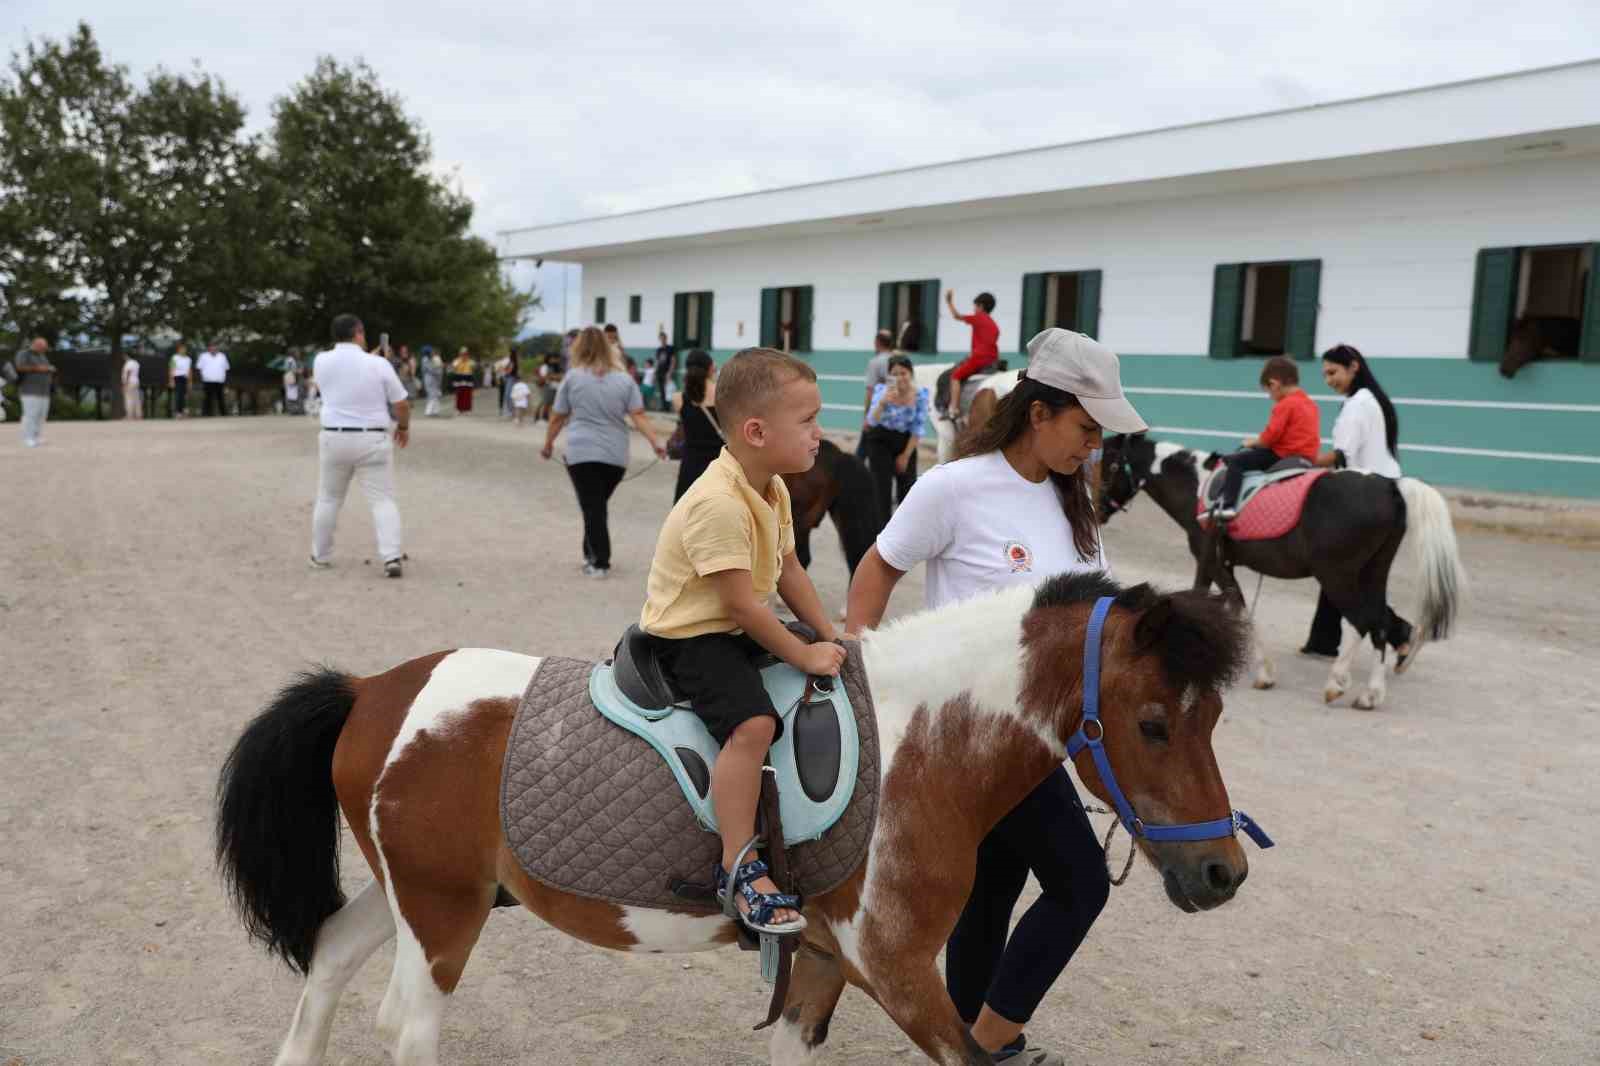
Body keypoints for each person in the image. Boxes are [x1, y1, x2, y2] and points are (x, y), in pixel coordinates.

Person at [844, 327, 1148, 1066]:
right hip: (969, 736)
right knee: (1080, 884)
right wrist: (858, 663)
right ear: (1038, 413)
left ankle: (975, 1040)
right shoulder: (955, 486)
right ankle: (984, 1043)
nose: (1092, 446)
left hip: (1041, 745)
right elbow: (880, 566)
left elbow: (1094, 615)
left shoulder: (1075, 504)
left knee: (991, 893)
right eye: (1084, 427)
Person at [641, 346, 845, 935]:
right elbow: (740, 604)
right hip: (694, 637)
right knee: (752, 724)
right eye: (807, 420)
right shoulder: (718, 504)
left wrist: (830, 634)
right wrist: (804, 650)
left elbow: (789, 571)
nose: (818, 433)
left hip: (734, 622)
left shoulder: (772, 487)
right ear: (756, 431)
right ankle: (738, 864)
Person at [1302, 344, 1414, 663]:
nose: (1328, 380)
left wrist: (1300, 462)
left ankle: (1398, 631)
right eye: (1324, 374)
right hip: (1389, 490)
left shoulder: (1356, 404)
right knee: (1343, 569)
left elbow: (1339, 456)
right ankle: (1323, 639)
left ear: (1353, 367)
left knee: (1345, 573)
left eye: (1332, 372)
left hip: (1364, 495)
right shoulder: (1374, 400)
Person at [541, 325, 667, 577]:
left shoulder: (573, 378)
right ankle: (590, 553)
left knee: (593, 505)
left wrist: (548, 444)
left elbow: (557, 416)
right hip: (615, 456)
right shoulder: (624, 380)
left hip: (580, 452)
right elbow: (638, 416)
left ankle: (599, 562)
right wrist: (656, 442)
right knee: (594, 504)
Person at [308, 313, 410, 578]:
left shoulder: (320, 361)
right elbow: (400, 403)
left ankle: (320, 555)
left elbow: (339, 379)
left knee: (328, 498)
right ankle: (391, 556)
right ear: (359, 332)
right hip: (372, 437)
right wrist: (403, 427)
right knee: (382, 500)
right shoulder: (378, 364)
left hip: (334, 435)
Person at [1212, 356, 1320, 521]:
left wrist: (1252, 442)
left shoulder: (1284, 405)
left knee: (1236, 462)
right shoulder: (1310, 404)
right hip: (1307, 457)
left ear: (1274, 384)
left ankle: (1228, 506)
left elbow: (1270, 437)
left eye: (1268, 391)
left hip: (1283, 455)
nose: (1270, 396)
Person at [861, 354, 929, 517]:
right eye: (895, 374)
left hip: (906, 441)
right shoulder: (882, 391)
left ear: (911, 373)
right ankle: (881, 531)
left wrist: (905, 456)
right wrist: (883, 403)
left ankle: (904, 530)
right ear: (889, 376)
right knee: (881, 489)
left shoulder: (920, 395)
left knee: (907, 490)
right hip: (880, 440)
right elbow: (872, 421)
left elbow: (917, 428)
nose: (899, 378)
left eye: (903, 373)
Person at [672, 349, 724, 502]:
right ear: (710, 369)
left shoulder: (678, 398)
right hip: (719, 464)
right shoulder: (723, 394)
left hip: (691, 465)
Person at [944, 289, 1000, 412]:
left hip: (979, 358)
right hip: (993, 360)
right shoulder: (994, 324)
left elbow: (956, 316)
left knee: (955, 376)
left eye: (975, 306)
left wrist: (949, 302)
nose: (974, 309)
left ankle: (953, 408)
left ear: (980, 306)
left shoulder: (978, 317)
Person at [858, 328, 896, 458]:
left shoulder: (875, 362)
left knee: (862, 451)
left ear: (877, 343)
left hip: (879, 410)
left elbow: (870, 391)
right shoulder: (898, 359)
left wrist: (866, 415)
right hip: (897, 412)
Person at [14, 337, 56, 447]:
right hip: (29, 391)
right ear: (36, 344)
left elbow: (46, 368)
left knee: (41, 416)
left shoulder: (42, 356)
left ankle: (36, 437)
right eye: (43, 347)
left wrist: (49, 370)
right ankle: (27, 438)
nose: (44, 349)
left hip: (44, 391)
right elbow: (19, 367)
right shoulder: (24, 354)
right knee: (30, 415)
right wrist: (39, 368)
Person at [197, 342, 230, 416]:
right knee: (207, 398)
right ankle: (206, 414)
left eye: (214, 347)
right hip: (207, 380)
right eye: (211, 347)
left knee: (220, 397)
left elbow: (226, 369)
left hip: (219, 380)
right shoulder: (203, 356)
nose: (213, 349)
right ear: (209, 348)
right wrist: (202, 378)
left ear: (217, 348)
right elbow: (199, 368)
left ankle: (223, 414)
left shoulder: (222, 356)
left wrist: (226, 381)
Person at [653, 331, 677, 411]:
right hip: (660, 371)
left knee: (668, 390)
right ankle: (664, 407)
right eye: (661, 338)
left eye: (663, 338)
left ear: (666, 338)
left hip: (667, 372)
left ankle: (668, 407)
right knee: (661, 390)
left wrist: (670, 372)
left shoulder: (670, 348)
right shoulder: (659, 349)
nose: (662, 340)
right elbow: (657, 362)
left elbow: (673, 360)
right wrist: (655, 372)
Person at [169, 343, 194, 418]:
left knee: (184, 395)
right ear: (178, 350)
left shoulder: (188, 359)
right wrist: (171, 380)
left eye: (184, 349)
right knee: (178, 395)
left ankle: (183, 410)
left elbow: (189, 371)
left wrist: (190, 382)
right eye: (181, 349)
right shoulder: (174, 357)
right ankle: (178, 412)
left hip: (185, 378)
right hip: (177, 377)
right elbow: (171, 369)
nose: (183, 350)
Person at [536, 353, 563, 422]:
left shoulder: (557, 367)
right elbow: (545, 377)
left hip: (555, 387)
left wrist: (553, 377)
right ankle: (541, 417)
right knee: (546, 402)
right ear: (549, 359)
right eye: (554, 358)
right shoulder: (545, 367)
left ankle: (546, 417)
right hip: (547, 386)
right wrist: (555, 377)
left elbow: (561, 376)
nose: (556, 360)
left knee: (551, 403)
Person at [421, 346, 444, 417]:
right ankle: (428, 411)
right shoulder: (426, 359)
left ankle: (435, 411)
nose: (432, 353)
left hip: (433, 379)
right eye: (431, 352)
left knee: (435, 395)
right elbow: (431, 369)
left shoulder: (429, 359)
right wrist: (439, 369)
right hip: (430, 379)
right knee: (432, 395)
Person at [451, 348, 476, 414]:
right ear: (460, 354)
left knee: (467, 395)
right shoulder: (456, 361)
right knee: (459, 395)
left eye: (465, 354)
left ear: (467, 354)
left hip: (468, 379)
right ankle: (459, 409)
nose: (464, 355)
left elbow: (473, 368)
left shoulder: (471, 362)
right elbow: (453, 367)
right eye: (462, 354)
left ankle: (467, 409)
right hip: (459, 379)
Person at [121, 351, 142, 421]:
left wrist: (125, 384)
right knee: (136, 399)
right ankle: (138, 415)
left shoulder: (128, 363)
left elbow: (128, 372)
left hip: (129, 382)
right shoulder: (136, 363)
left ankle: (129, 415)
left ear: (127, 356)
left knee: (129, 399)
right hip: (136, 381)